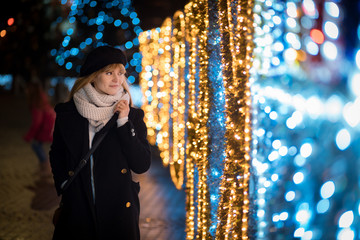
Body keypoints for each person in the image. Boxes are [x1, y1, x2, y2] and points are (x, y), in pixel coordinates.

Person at [49, 45, 151, 240]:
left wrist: (123, 122)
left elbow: (142, 164)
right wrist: (64, 185)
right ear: (93, 76)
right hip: (79, 210)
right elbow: (57, 154)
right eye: (109, 72)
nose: (117, 79)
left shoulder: (132, 115)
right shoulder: (68, 114)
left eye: (121, 73)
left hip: (118, 214)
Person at [23, 81, 55, 176]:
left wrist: (29, 136)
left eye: (27, 89)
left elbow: (37, 123)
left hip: (48, 128)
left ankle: (46, 167)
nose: (25, 91)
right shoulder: (41, 99)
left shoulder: (36, 104)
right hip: (51, 125)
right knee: (38, 145)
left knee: (36, 145)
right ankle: (44, 167)